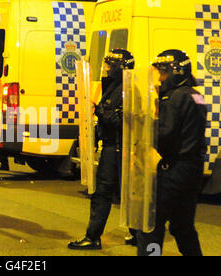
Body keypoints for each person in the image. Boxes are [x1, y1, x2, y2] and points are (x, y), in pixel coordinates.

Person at [136, 50, 207, 256]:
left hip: (174, 169)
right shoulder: (197, 95)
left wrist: (146, 126)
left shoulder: (175, 97)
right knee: (182, 227)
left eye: (164, 72)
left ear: (177, 72)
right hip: (192, 170)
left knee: (150, 226)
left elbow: (165, 134)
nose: (160, 78)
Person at [68, 49, 136, 250]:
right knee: (125, 192)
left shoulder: (127, 90)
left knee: (104, 193)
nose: (105, 68)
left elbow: (120, 121)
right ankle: (138, 234)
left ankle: (93, 236)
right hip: (113, 146)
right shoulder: (115, 87)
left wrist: (99, 110)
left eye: (109, 65)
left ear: (119, 68)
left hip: (117, 148)